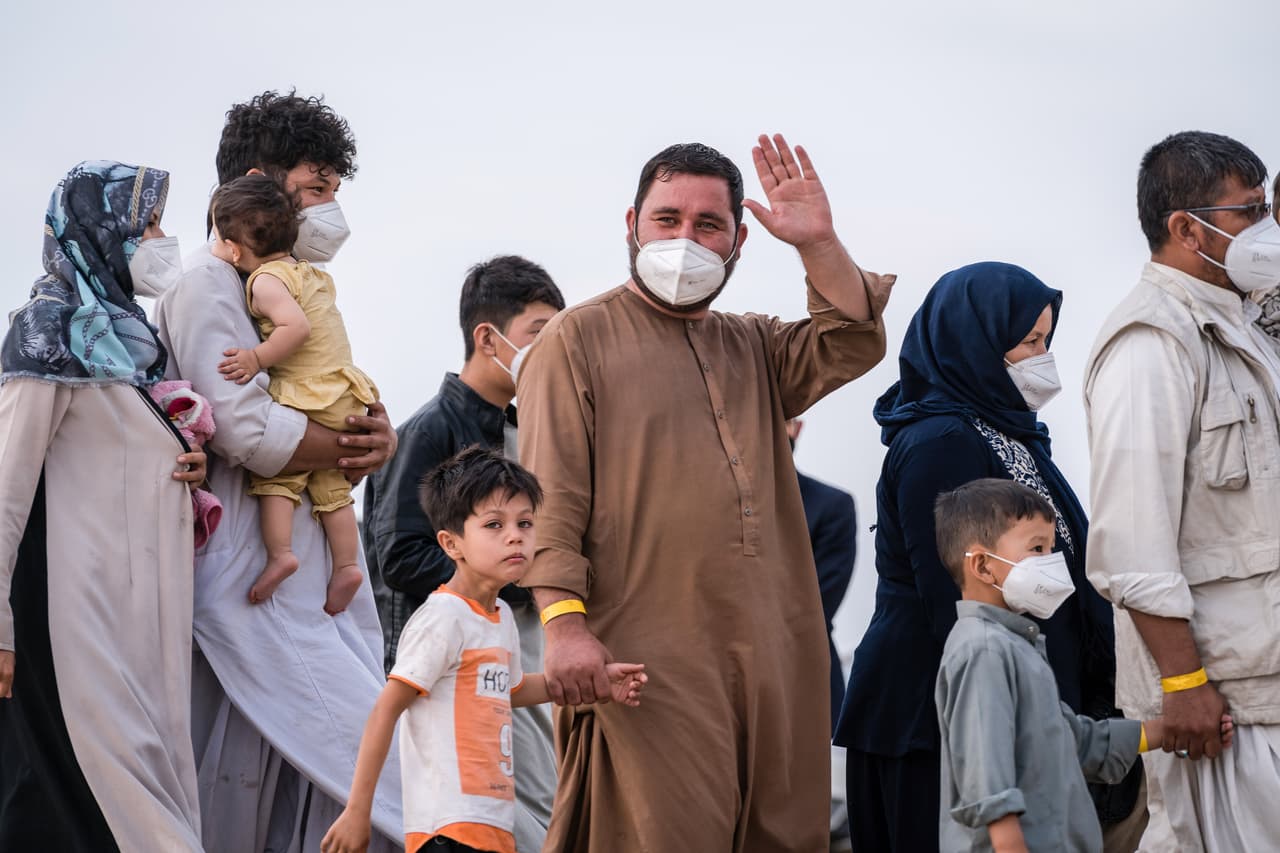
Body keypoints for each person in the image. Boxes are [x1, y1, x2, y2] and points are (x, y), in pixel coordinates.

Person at [517, 134, 894, 851]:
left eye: (708, 225)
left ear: (739, 241)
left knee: (783, 835)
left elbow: (850, 339)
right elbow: (551, 500)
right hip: (648, 661)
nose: (685, 239)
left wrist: (817, 242)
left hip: (778, 657)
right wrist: (564, 626)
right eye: (667, 220)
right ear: (631, 225)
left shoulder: (751, 345)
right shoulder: (575, 341)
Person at [152, 91, 403, 852]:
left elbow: (320, 407)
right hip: (244, 578)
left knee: (312, 787)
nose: (330, 210)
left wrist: (371, 441)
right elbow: (244, 427)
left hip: (298, 573)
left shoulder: (286, 290)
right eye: (318, 186)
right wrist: (347, 445)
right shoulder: (206, 284)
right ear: (262, 182)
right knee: (329, 770)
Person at [834, 262, 1133, 852]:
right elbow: (953, 596)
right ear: (975, 342)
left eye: (1046, 340)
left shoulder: (1009, 434)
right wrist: (1011, 712)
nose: (1041, 357)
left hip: (994, 708)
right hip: (937, 719)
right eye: (1028, 342)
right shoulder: (941, 440)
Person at [0, 161, 207, 849]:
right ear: (101, 230)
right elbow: (6, 482)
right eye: (147, 223)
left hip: (140, 620)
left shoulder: (132, 345)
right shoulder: (49, 329)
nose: (160, 238)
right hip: (74, 612)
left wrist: (182, 456)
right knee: (112, 805)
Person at [1084, 130, 1280, 850]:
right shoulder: (1151, 343)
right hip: (1221, 704)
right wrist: (1183, 681)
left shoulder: (1249, 327)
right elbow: (1132, 539)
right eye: (1248, 212)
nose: (1266, 229)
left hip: (1265, 689)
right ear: (1184, 227)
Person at [323, 447, 646, 853]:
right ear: (451, 543)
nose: (516, 535)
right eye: (494, 524)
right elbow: (387, 707)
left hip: (494, 828)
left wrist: (595, 683)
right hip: (448, 830)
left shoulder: (501, 616)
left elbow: (507, 690)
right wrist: (357, 811)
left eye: (525, 523)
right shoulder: (443, 617)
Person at [362, 255, 564, 850]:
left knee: (531, 805)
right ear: (487, 337)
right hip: (449, 667)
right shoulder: (428, 430)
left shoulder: (519, 427)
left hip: (508, 652)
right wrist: (520, 579)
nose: (549, 352)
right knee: (511, 815)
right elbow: (397, 555)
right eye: (538, 335)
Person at [932, 479, 1215, 852]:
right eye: (1037, 549)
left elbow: (1075, 741)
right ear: (983, 566)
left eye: (1052, 548)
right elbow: (987, 778)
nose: (1052, 562)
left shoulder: (1019, 646)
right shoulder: (984, 652)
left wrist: (1167, 731)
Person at [211, 174, 378, 614]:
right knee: (331, 490)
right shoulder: (312, 273)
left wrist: (255, 358)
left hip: (310, 394)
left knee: (277, 481)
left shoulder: (266, 281)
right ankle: (346, 566)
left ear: (232, 248)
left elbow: (296, 329)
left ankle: (281, 554)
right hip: (344, 393)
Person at [787, 417, 858, 851]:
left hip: (807, 679)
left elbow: (815, 606)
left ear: (798, 426)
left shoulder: (829, 505)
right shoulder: (704, 509)